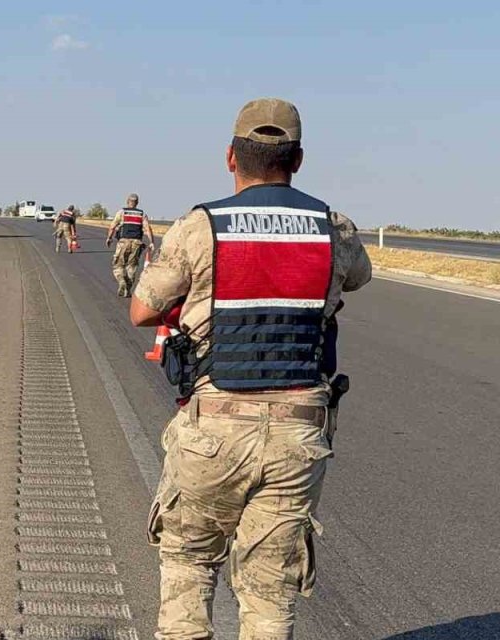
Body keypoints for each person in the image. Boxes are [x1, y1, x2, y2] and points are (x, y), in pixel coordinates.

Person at [129, 98, 371, 639]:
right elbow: (357, 277)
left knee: (189, 569)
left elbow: (143, 308)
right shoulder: (333, 226)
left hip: (213, 428)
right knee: (270, 592)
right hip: (298, 433)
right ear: (299, 159)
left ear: (230, 157)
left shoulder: (201, 226)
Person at [106, 193, 156, 296]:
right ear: (137, 203)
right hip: (137, 243)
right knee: (132, 266)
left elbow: (112, 226)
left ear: (127, 201)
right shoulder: (142, 214)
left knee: (118, 265)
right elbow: (147, 229)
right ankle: (128, 290)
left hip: (123, 242)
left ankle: (121, 282)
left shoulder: (122, 212)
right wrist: (151, 242)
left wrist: (109, 238)